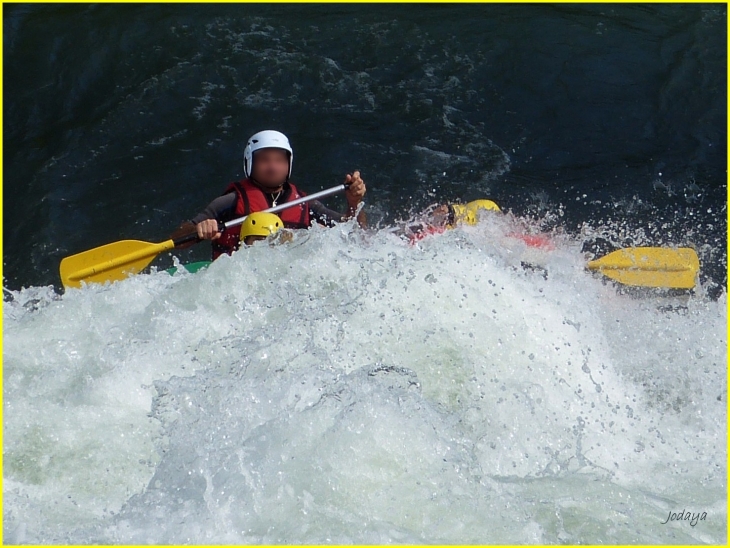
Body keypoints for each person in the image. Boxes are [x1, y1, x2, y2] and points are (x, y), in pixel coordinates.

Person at [172, 130, 366, 259]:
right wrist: (200, 228)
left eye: (279, 160)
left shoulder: (305, 204)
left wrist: (354, 203)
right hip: (236, 285)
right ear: (250, 162)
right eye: (264, 160)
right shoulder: (231, 201)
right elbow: (178, 240)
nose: (273, 167)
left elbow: (356, 234)